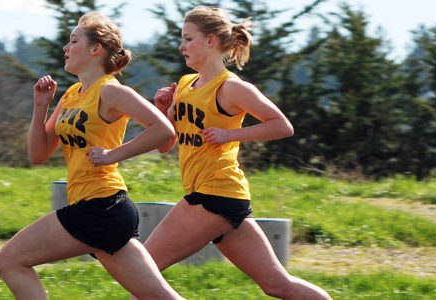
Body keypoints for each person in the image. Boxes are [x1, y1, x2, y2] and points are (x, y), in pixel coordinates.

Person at [138, 5, 333, 300]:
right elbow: (166, 145)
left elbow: (282, 126)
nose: (181, 46)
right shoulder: (186, 85)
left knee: (141, 274)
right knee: (277, 285)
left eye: (188, 39)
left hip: (214, 193)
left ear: (210, 41)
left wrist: (231, 134)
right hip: (224, 198)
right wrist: (164, 111)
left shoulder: (230, 88)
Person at [0, 11, 184, 300]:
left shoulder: (109, 91)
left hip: (101, 206)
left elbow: (164, 130)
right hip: (103, 212)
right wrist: (40, 107)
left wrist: (112, 155)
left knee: (9, 260)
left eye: (73, 41)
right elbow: (38, 154)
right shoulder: (72, 94)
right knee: (160, 297)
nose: (65, 48)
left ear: (96, 49)